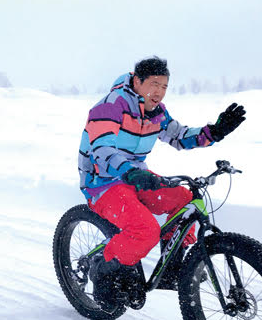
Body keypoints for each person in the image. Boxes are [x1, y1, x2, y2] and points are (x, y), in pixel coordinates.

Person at [78, 56, 245, 307]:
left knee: (186, 201)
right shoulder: (110, 107)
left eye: (165, 86)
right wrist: (128, 171)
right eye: (154, 84)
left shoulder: (157, 113)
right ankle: (103, 272)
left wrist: (215, 132)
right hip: (102, 182)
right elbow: (101, 148)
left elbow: (180, 136)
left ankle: (173, 265)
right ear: (137, 81)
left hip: (135, 176)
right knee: (145, 231)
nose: (159, 92)